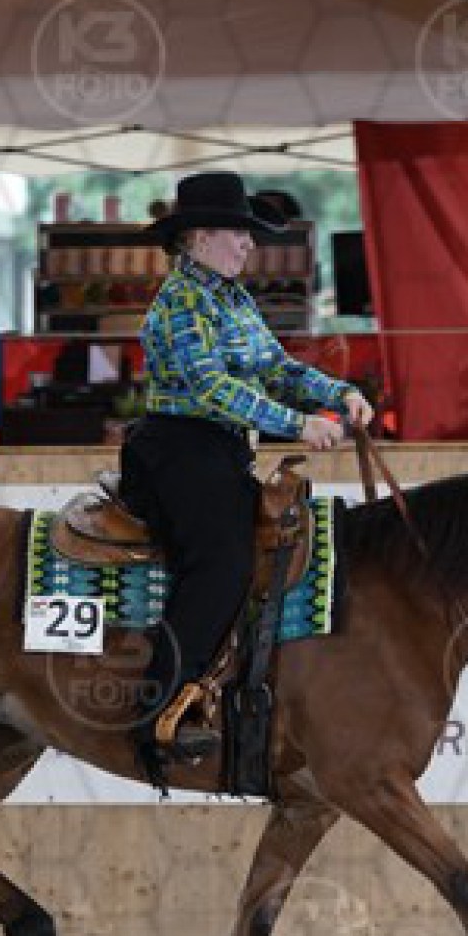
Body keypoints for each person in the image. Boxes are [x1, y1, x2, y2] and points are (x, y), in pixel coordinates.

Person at [121, 172, 373, 771]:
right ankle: (157, 715)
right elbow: (212, 387)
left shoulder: (231, 298)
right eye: (237, 232)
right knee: (222, 563)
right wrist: (297, 423)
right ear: (200, 237)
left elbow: (278, 368)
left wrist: (338, 392)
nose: (248, 244)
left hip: (217, 450)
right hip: (177, 450)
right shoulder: (183, 301)